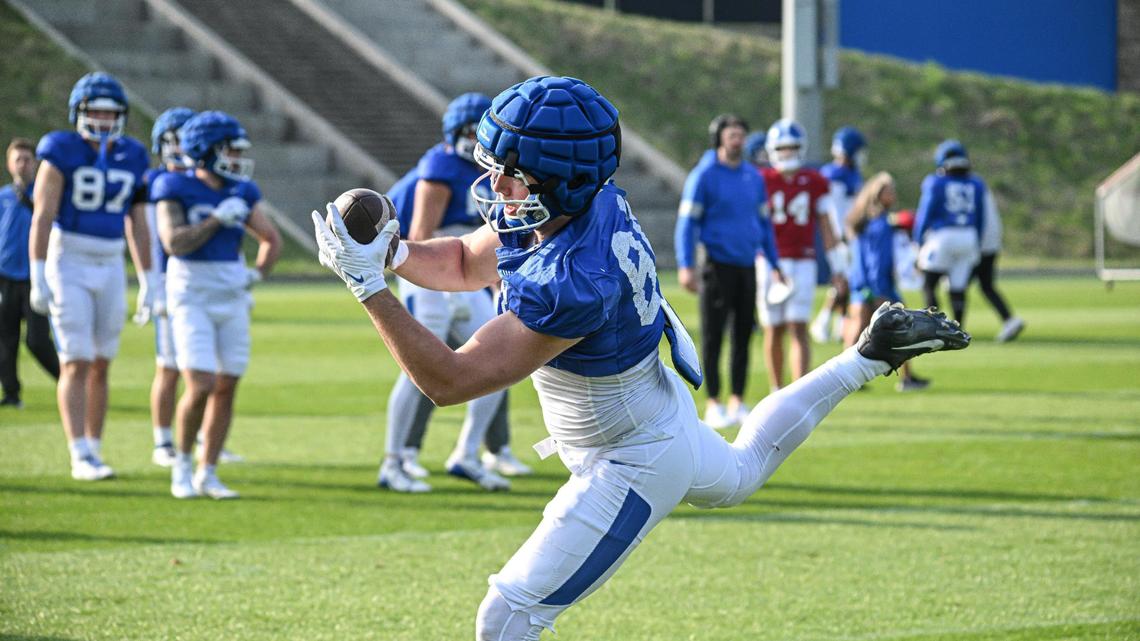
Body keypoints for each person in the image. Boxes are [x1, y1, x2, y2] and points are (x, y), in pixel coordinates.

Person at [311, 75, 969, 641]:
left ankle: (866, 353)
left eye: (509, 172)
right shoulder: (583, 201)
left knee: (507, 615)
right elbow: (458, 261)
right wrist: (393, 255)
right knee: (739, 473)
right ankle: (868, 353)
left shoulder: (575, 275)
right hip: (653, 408)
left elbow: (450, 380)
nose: (493, 183)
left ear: (559, 178)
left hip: (629, 457)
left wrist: (367, 284)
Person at [379, 92, 515, 492]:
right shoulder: (441, 163)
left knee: (500, 361)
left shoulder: (490, 168)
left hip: (462, 271)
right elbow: (420, 234)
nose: (477, 140)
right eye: (471, 132)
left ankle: (467, 454)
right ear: (455, 132)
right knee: (416, 368)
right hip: (430, 271)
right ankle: (393, 461)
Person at [29, 72, 154, 481]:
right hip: (69, 257)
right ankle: (78, 451)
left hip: (111, 260)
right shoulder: (60, 150)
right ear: (79, 112)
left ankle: (95, 450)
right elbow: (43, 215)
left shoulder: (133, 155)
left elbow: (137, 223)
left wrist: (149, 278)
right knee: (76, 360)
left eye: (110, 111)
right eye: (95, 110)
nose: (102, 118)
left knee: (102, 361)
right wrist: (38, 271)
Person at [151, 110, 281, 499]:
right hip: (191, 292)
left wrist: (255, 276)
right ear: (208, 152)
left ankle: (208, 471)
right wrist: (215, 221)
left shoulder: (241, 191)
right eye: (231, 151)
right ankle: (182, 464)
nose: (238, 160)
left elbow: (271, 239)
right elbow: (173, 242)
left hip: (232, 291)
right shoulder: (173, 185)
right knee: (201, 382)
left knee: (227, 384)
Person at [675, 114, 782, 429]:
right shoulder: (704, 175)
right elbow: (687, 224)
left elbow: (764, 224)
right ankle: (713, 402)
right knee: (713, 336)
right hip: (715, 265)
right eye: (732, 135)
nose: (738, 141)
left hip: (747, 264)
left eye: (741, 135)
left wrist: (775, 264)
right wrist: (686, 265)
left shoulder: (753, 176)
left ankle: (737, 399)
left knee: (743, 334)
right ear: (719, 139)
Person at [758, 119, 846, 391]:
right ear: (773, 150)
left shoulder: (815, 181)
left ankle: (797, 392)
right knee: (773, 328)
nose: (787, 153)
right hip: (770, 261)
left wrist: (838, 266)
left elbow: (826, 225)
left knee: (798, 326)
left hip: (803, 259)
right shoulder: (760, 180)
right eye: (782, 148)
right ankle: (776, 389)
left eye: (792, 147)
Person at [142, 107, 195, 467]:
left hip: (203, 280)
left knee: (204, 367)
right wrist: (152, 284)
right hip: (169, 279)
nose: (178, 148)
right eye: (172, 140)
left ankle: (202, 438)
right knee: (170, 365)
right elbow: (147, 237)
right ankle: (163, 442)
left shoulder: (204, 180)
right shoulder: (154, 183)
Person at [842, 172, 929, 391]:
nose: (893, 194)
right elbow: (876, 260)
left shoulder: (864, 221)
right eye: (889, 191)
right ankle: (906, 378)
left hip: (861, 282)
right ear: (878, 195)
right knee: (903, 325)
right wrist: (876, 288)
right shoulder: (879, 223)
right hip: (877, 284)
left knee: (857, 328)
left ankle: (844, 376)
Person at [1, 138, 60, 408]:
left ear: (36, 163)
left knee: (37, 340)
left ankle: (69, 381)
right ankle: (11, 394)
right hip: (5, 277)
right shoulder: (3, 197)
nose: (23, 164)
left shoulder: (46, 193)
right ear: (9, 164)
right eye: (19, 159)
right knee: (5, 339)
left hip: (36, 276)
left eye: (28, 159)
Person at [915, 139, 986, 326]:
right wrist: (977, 241)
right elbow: (980, 217)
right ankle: (958, 330)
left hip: (943, 236)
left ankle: (933, 327)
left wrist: (918, 240)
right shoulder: (976, 184)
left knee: (929, 283)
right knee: (958, 287)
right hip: (968, 235)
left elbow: (925, 214)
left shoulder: (935, 182)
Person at [811, 126, 866, 344]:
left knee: (845, 283)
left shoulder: (851, 174)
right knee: (842, 282)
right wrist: (842, 235)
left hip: (849, 236)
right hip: (842, 237)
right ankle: (823, 322)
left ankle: (839, 325)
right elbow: (834, 211)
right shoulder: (833, 175)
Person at [972, 186, 1025, 342]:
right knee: (986, 286)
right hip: (991, 242)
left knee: (956, 287)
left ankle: (953, 329)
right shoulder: (979, 185)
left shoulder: (968, 185)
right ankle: (1009, 320)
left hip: (977, 243)